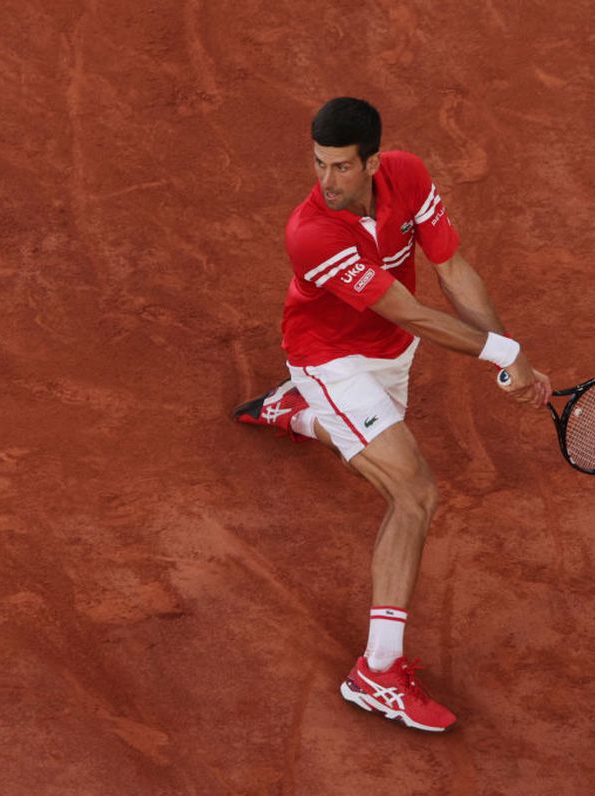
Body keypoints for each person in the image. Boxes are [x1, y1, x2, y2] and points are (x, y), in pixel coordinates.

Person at [233, 97, 551, 733]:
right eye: (319, 165)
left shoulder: (407, 176)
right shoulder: (311, 230)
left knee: (373, 453)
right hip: (330, 359)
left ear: (373, 162)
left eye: (342, 168)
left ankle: (294, 414)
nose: (327, 182)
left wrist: (505, 359)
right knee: (413, 494)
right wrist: (504, 353)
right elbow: (404, 308)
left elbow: (452, 270)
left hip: (390, 360)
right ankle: (377, 673)